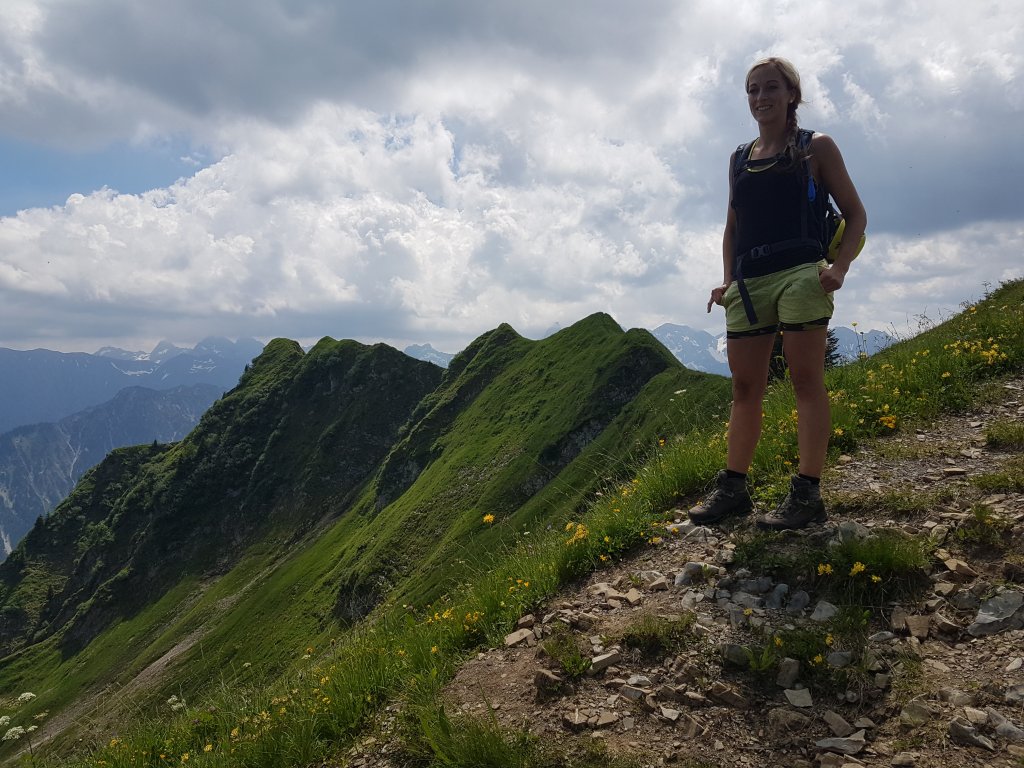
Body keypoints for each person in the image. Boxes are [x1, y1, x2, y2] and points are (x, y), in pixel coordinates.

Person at [689, 56, 867, 530]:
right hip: (750, 282)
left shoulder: (815, 147)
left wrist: (840, 268)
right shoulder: (738, 159)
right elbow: (733, 226)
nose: (760, 97)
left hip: (801, 274)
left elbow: (856, 214)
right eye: (752, 90)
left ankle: (807, 494)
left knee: (805, 380)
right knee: (745, 387)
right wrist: (728, 279)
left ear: (792, 95)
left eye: (771, 87)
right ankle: (733, 490)